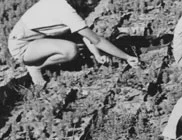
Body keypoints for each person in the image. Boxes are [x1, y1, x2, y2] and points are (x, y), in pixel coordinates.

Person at [7, 0, 139, 85]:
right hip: (23, 47)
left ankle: (42, 59)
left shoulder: (68, 4)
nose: (93, 7)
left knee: (79, 44)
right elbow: (96, 39)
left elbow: (84, 36)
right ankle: (36, 66)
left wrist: (97, 55)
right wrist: (127, 57)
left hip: (39, 39)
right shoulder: (64, 9)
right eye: (92, 4)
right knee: (70, 50)